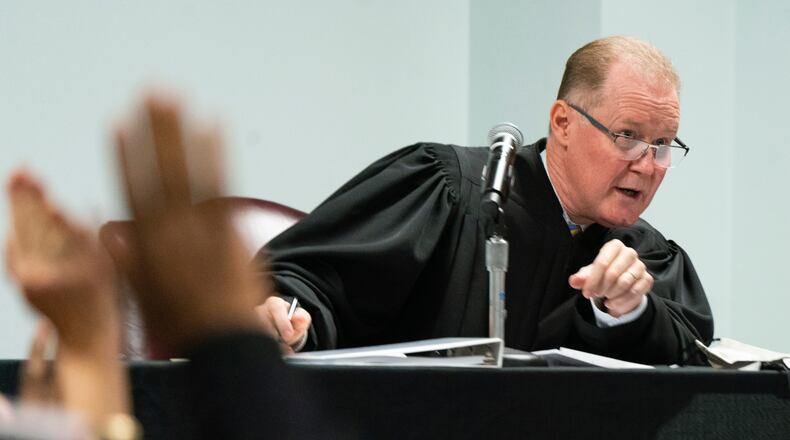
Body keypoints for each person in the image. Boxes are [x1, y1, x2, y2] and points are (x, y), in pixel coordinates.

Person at [257, 36, 714, 365]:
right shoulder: (450, 190)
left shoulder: (642, 255)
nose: (648, 163)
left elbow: (693, 357)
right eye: (627, 136)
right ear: (563, 123)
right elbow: (313, 280)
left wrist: (628, 310)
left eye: (663, 145)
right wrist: (287, 318)